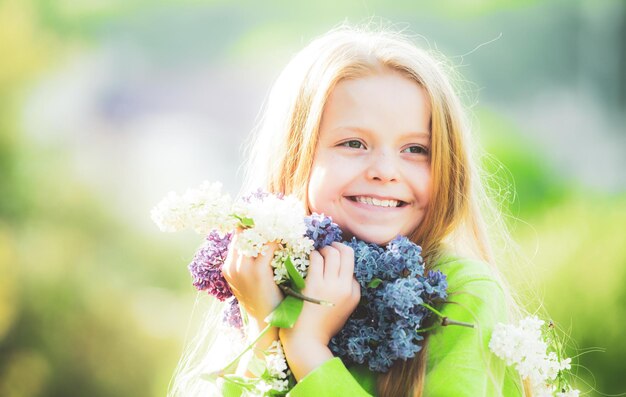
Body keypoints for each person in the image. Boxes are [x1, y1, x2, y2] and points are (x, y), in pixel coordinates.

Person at [172, 24, 527, 396]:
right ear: (297, 158)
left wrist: (307, 349)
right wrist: (264, 322)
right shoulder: (267, 275)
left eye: (416, 149)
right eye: (354, 143)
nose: (385, 172)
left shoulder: (463, 294)